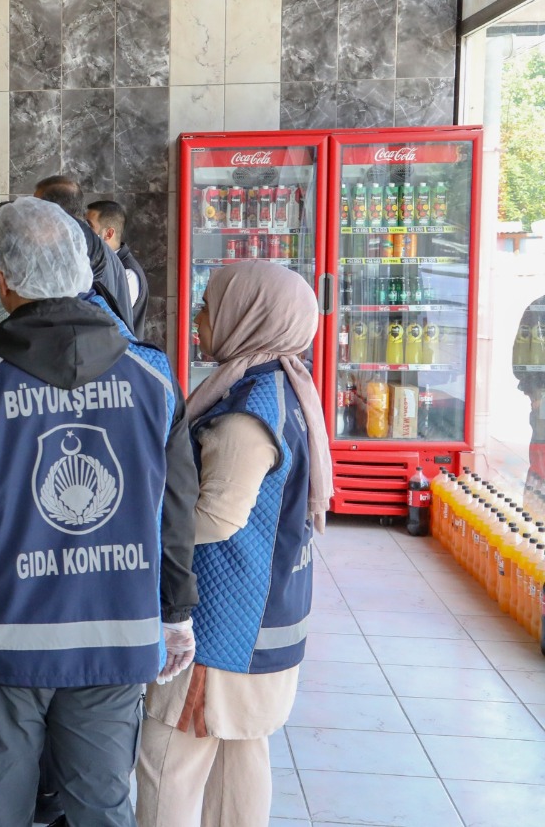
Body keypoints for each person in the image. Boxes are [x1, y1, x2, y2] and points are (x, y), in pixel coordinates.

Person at [0, 197, 200, 827]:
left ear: (4, 281)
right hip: (117, 635)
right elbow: (175, 510)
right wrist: (175, 612)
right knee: (100, 804)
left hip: (1, 643)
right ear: (83, 271)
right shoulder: (153, 378)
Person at [134, 262, 331, 827]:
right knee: (240, 758)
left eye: (209, 307)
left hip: (222, 631)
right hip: (269, 617)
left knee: (169, 761)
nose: (198, 318)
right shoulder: (285, 385)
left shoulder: (247, 412)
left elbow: (217, 517)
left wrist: (139, 535)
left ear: (251, 317)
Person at [34, 175, 135, 334]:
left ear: (50, 212)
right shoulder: (88, 242)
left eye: (35, 208)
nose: (31, 216)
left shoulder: (77, 249)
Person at [87, 199, 150, 331]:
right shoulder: (99, 263)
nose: (85, 233)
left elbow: (112, 321)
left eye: (90, 227)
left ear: (108, 233)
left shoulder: (129, 273)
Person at [514, 294, 545, 494]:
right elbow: (521, 361)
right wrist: (535, 395)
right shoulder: (538, 309)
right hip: (543, 395)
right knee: (541, 457)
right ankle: (537, 510)